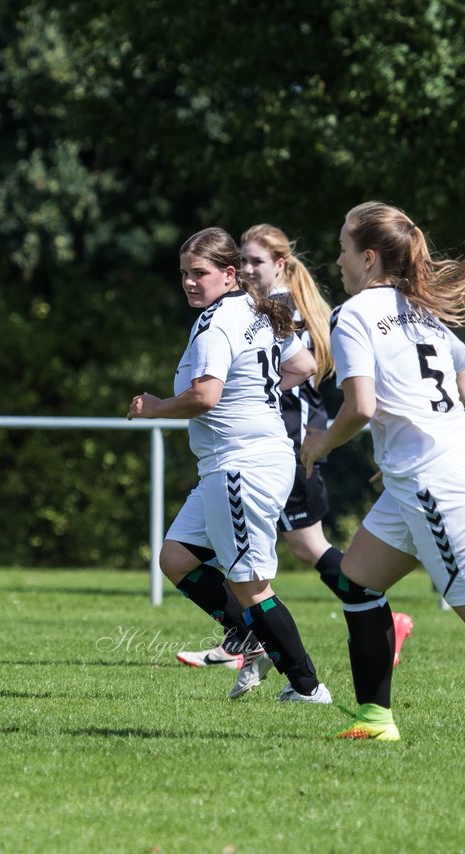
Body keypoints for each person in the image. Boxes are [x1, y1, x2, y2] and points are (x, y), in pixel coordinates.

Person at [301, 201, 465, 741]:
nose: (337, 261)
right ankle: (375, 721)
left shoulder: (355, 314)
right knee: (357, 581)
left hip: (433, 478)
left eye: (343, 249)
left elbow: (361, 407)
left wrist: (319, 445)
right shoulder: (421, 307)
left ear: (367, 258)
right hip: (436, 466)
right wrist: (400, 450)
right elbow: (459, 386)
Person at [175, 224, 413, 670]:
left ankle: (370, 619)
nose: (246, 268)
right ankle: (248, 636)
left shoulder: (273, 307)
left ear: (280, 264)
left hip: (283, 443)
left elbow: (306, 366)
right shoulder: (255, 305)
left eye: (255, 262)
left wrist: (256, 396)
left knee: (302, 550)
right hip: (272, 445)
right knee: (298, 548)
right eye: (242, 260)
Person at [128, 226, 331, 704]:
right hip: (248, 459)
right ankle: (251, 636)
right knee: (176, 558)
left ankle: (307, 686)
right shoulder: (257, 310)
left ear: (229, 273)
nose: (190, 282)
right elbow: (301, 366)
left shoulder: (218, 322)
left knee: (250, 585)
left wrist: (155, 407)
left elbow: (206, 395)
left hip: (241, 465)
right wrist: (257, 394)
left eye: (200, 273)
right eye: (184, 274)